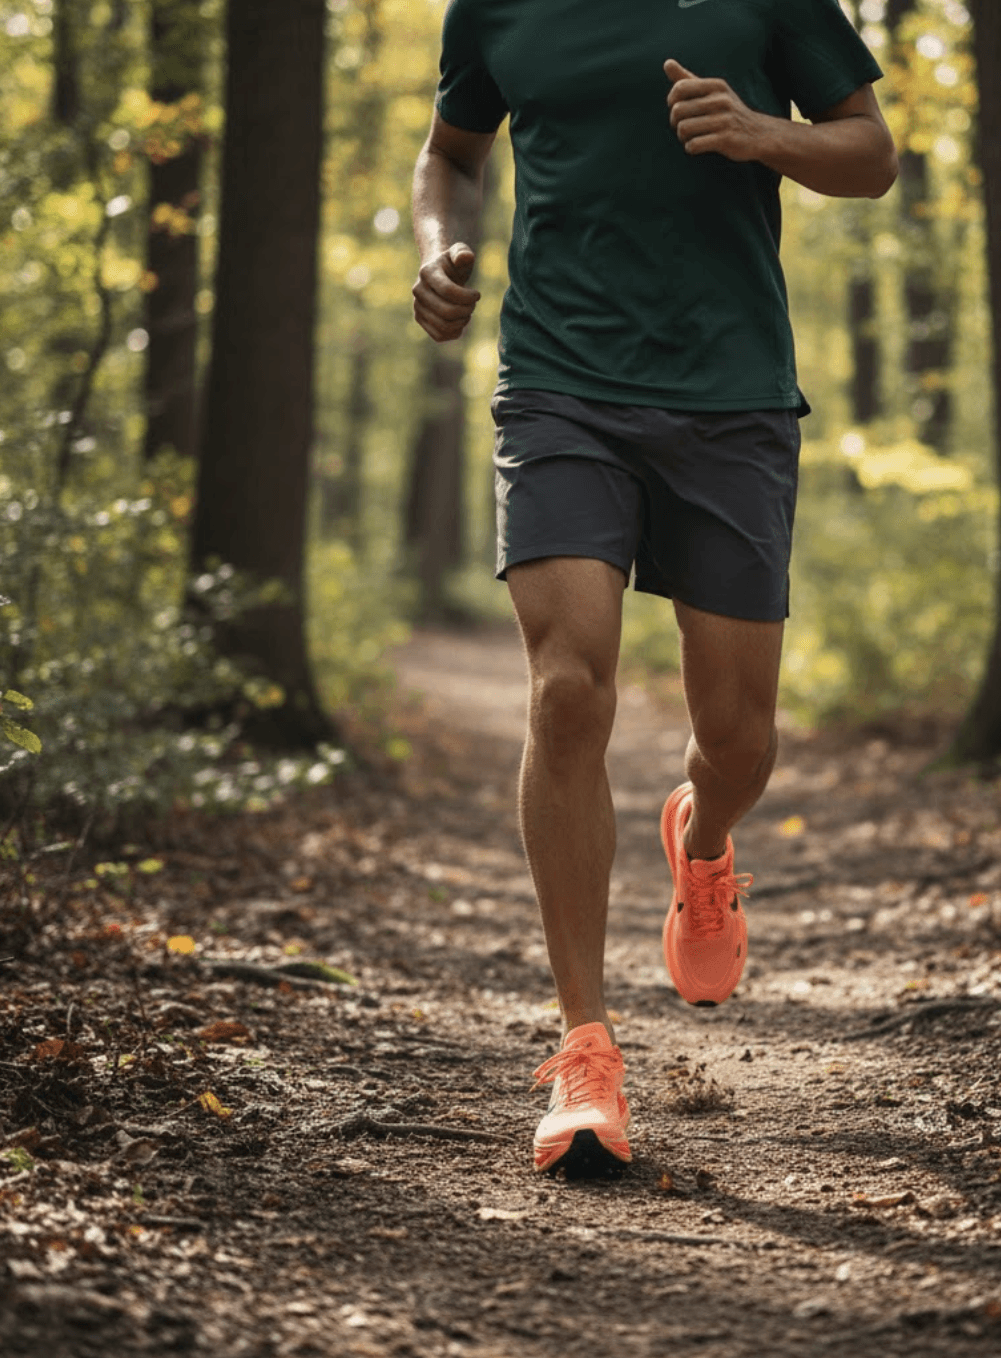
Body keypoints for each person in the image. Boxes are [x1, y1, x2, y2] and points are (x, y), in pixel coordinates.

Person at [412, 0, 897, 1176]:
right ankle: (585, 1046)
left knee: (738, 740)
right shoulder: (496, 8)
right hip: (559, 381)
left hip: (730, 390)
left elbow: (872, 153)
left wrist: (760, 133)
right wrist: (437, 245)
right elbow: (452, 154)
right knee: (567, 687)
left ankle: (706, 835)